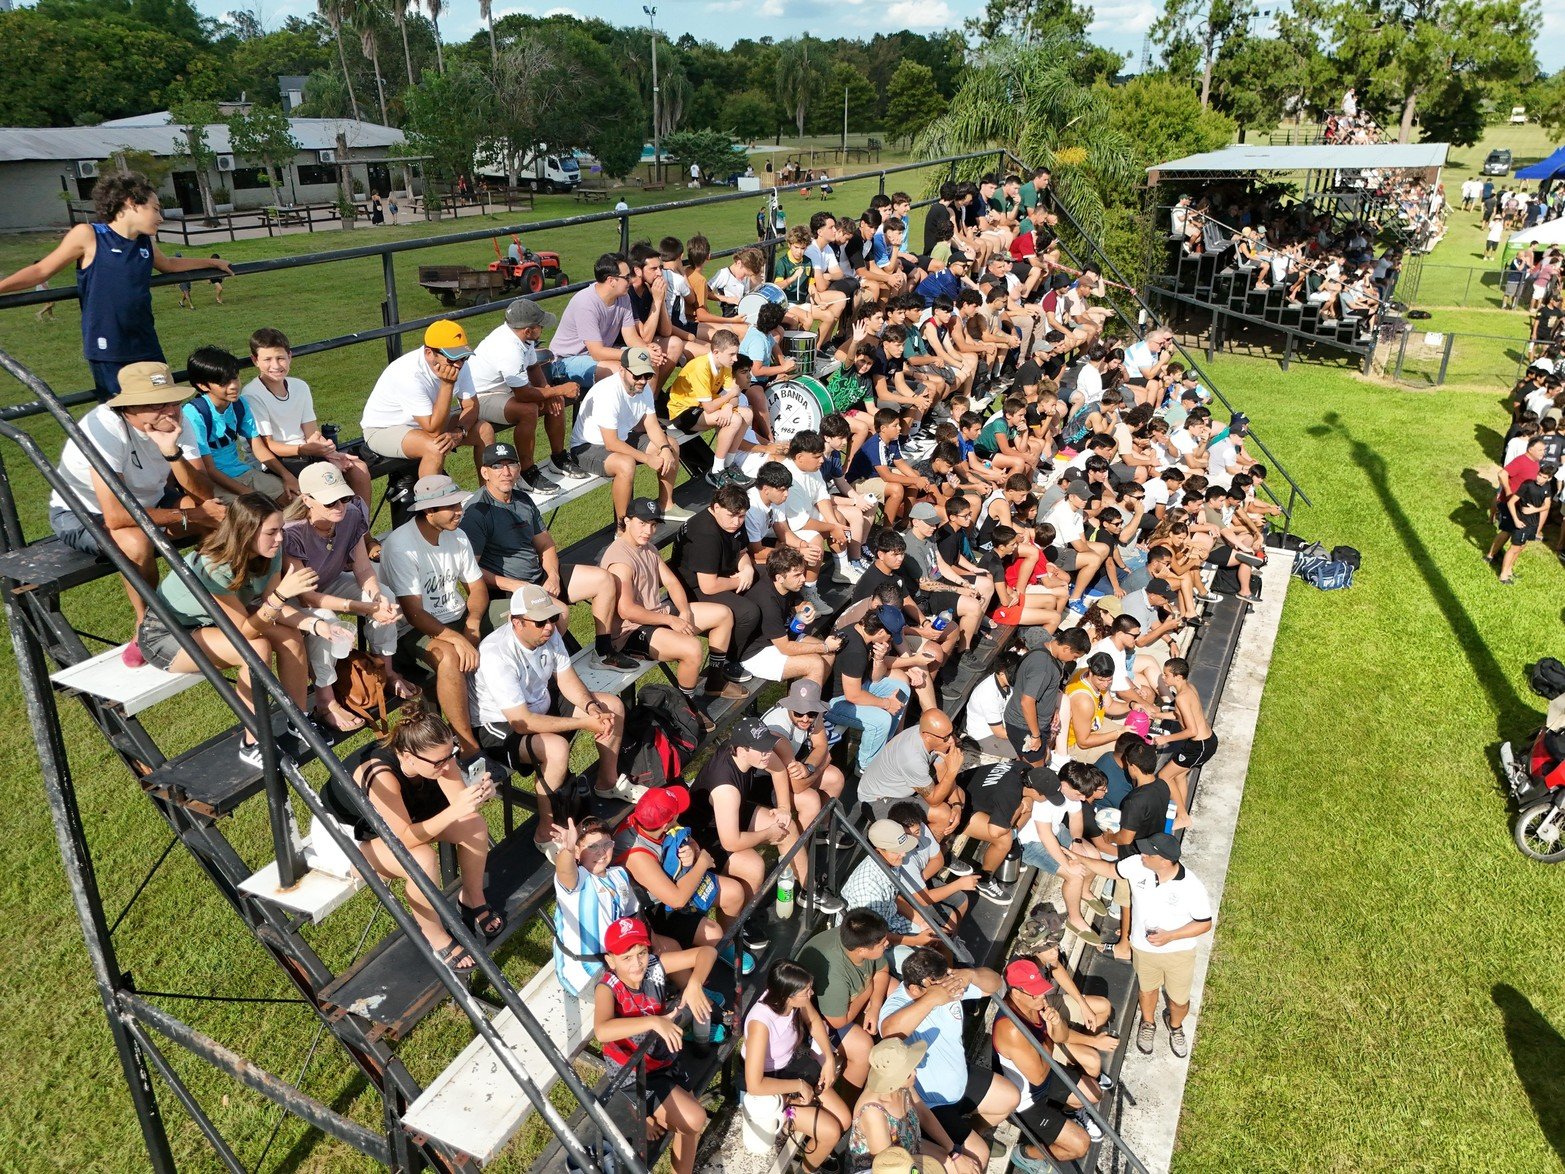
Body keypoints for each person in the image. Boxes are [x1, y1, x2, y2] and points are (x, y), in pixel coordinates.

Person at [135, 492, 344, 769]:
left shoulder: (270, 550)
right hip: (167, 635)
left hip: (215, 624)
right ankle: (252, 743)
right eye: (271, 532)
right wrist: (282, 594)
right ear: (246, 532)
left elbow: (274, 610)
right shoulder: (214, 567)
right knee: (255, 650)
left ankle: (299, 719)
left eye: (280, 529)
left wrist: (315, 624)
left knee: (291, 637)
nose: (280, 538)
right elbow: (247, 629)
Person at [0, 171, 232, 401]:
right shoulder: (89, 235)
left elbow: (169, 265)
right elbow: (41, 270)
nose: (160, 217)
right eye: (156, 209)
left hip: (146, 342)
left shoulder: (145, 242)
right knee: (121, 415)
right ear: (132, 203)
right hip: (108, 348)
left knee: (165, 405)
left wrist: (212, 262)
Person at [320, 705, 498, 975]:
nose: (449, 765)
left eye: (451, 753)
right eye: (439, 762)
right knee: (421, 859)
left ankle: (472, 898)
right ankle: (435, 936)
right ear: (407, 756)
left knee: (473, 825)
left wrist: (477, 797)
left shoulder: (436, 756)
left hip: (403, 822)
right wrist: (456, 810)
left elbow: (460, 807)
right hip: (344, 836)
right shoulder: (380, 775)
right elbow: (403, 841)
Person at [47, 361, 223, 633]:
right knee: (137, 542)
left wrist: (172, 453)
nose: (169, 410)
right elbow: (116, 516)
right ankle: (147, 624)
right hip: (82, 513)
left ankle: (217, 597)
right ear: (128, 408)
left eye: (172, 401)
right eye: (156, 404)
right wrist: (190, 515)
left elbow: (205, 493)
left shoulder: (177, 419)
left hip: (149, 498)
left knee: (220, 517)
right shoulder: (104, 429)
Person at [471, 583, 628, 849]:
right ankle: (546, 833)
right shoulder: (496, 654)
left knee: (611, 707)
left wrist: (592, 709)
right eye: (540, 621)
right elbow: (523, 721)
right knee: (556, 749)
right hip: (499, 724)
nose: (549, 626)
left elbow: (567, 680)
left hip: (538, 702)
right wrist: (583, 723)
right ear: (516, 622)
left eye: (553, 618)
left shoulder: (548, 634)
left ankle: (607, 783)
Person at [459, 442, 631, 668]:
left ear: (519, 468)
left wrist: (552, 575)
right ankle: (547, 670)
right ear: (485, 472)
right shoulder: (477, 511)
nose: (505, 472)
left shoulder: (523, 500)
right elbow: (471, 571)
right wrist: (517, 586)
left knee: (605, 580)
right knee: (560, 612)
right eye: (497, 466)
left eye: (510, 465)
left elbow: (546, 544)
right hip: (509, 590)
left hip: (540, 577)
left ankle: (603, 653)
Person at [283, 462, 409, 730]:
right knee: (326, 620)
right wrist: (364, 607)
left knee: (384, 593)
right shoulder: (291, 532)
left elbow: (363, 567)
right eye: (330, 502)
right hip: (296, 599)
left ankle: (384, 671)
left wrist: (375, 596)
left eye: (343, 497)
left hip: (331, 582)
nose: (339, 506)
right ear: (307, 500)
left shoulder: (352, 514)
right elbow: (308, 598)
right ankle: (325, 700)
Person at [1071, 833, 1213, 1058]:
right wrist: (1078, 858)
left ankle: (1175, 1025)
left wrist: (1171, 936)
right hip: (1143, 949)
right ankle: (1148, 1023)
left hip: (1178, 953)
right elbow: (1109, 870)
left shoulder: (1191, 887)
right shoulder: (1137, 864)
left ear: (1165, 861)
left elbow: (1204, 924)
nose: (1142, 854)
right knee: (1147, 990)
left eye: (1148, 852)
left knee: (1178, 1001)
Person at [593, 917, 715, 1174]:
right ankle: (642, 1112)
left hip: (663, 1058)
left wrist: (694, 984)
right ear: (610, 960)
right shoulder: (608, 988)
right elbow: (602, 1030)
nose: (637, 963)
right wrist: (654, 1022)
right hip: (634, 1073)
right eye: (626, 957)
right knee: (695, 1119)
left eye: (641, 952)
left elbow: (707, 951)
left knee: (690, 1126)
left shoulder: (654, 966)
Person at [379, 475, 489, 758]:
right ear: (428, 511)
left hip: (456, 617)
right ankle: (466, 745)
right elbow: (414, 613)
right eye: (450, 506)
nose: (459, 511)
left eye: (458, 504)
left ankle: (515, 712)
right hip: (411, 630)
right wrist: (458, 639)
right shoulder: (401, 545)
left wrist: (473, 623)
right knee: (450, 656)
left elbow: (477, 589)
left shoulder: (458, 535)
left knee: (522, 619)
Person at [603, 497, 745, 708]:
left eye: (652, 525)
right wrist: (671, 620)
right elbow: (627, 610)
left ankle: (715, 680)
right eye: (642, 523)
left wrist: (685, 611)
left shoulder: (648, 547)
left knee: (723, 614)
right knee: (692, 649)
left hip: (657, 615)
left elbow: (671, 582)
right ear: (626, 521)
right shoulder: (620, 560)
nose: (648, 531)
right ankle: (686, 706)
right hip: (631, 631)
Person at [878, 949, 1014, 1156]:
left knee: (1010, 1098)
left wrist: (972, 975)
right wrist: (932, 999)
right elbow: (889, 1031)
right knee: (980, 1155)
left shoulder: (946, 984)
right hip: (931, 1102)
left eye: (946, 981)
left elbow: (996, 983)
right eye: (938, 986)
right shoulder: (897, 1005)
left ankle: (971, 1133)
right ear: (915, 988)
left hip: (960, 1079)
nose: (947, 988)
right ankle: (961, 1145)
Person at [466, 298, 587, 491]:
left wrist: (549, 390)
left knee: (554, 400)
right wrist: (558, 390)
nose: (542, 327)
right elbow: (522, 394)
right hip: (481, 396)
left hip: (503, 389)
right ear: (528, 330)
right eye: (539, 325)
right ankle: (526, 472)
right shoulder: (508, 348)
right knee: (528, 410)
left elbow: (533, 367)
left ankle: (558, 458)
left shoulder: (522, 337)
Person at [741, 961, 850, 1172]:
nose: (811, 993)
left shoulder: (793, 1000)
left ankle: (815, 1152)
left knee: (844, 1119)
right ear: (788, 995)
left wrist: (828, 1058)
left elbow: (814, 1022)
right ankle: (806, 1170)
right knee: (831, 1131)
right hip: (768, 1088)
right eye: (806, 990)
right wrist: (799, 1086)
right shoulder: (760, 1025)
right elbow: (754, 1084)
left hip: (789, 1068)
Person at [242, 327, 373, 502]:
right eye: (267, 359)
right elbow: (268, 446)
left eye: (280, 358)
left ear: (290, 356)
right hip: (276, 460)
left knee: (358, 468)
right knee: (325, 485)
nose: (275, 365)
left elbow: (311, 433)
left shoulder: (300, 386)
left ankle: (361, 528)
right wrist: (308, 450)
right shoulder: (252, 394)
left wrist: (328, 451)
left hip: (305, 452)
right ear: (255, 360)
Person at [991, 958, 1099, 1167]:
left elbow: (1059, 1038)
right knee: (1080, 1146)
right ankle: (1026, 1155)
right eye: (1035, 992)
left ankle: (1068, 1115)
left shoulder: (1036, 1003)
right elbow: (1038, 1076)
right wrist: (1048, 1037)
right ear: (1016, 992)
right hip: (1026, 1100)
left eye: (1042, 989)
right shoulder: (1011, 1028)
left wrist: (1056, 1023)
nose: (1042, 996)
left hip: (1044, 1074)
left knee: (1094, 1093)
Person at [688, 716, 811, 896]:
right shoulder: (726, 791)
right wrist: (768, 834)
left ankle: (809, 890)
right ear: (741, 750)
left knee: (787, 827)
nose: (768, 752)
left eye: (768, 746)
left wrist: (784, 807)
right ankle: (739, 922)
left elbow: (778, 769)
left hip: (731, 814)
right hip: (704, 832)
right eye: (762, 750)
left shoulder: (745, 753)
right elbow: (730, 841)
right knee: (754, 867)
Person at [568, 346, 686, 523]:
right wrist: (647, 459)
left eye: (647, 375)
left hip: (620, 438)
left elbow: (652, 425)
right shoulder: (608, 393)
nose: (642, 381)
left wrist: (665, 448)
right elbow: (611, 443)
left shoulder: (643, 388)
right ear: (622, 370)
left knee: (671, 445)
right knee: (626, 464)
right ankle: (623, 527)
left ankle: (666, 505)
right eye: (637, 375)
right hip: (587, 447)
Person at [360, 320, 488, 477]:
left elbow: (471, 406)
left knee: (484, 430)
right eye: (452, 358)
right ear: (429, 353)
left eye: (463, 357)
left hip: (428, 424)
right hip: (385, 429)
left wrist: (459, 431)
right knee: (434, 447)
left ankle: (491, 497)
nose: (459, 365)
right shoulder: (408, 373)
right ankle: (433, 500)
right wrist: (447, 385)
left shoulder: (459, 365)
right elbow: (434, 431)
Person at [672, 483, 762, 692]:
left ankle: (763, 641)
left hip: (722, 574)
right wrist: (741, 581)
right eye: (732, 516)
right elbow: (709, 586)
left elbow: (740, 551)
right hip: (694, 590)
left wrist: (747, 569)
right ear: (716, 507)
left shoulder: (731, 522)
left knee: (767, 580)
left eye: (741, 517)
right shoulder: (706, 534)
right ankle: (731, 661)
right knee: (748, 612)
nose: (737, 522)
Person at [848, 1038, 981, 1173]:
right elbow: (887, 1166)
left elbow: (924, 1114)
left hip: (912, 1146)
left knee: (957, 1166)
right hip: (893, 1165)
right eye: (908, 1072)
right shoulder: (873, 1113)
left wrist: (954, 1152)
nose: (915, 1073)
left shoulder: (902, 1086)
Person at [796, 909, 893, 1090]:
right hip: (821, 1015)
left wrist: (875, 1006)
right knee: (863, 1047)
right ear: (862, 950)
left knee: (895, 991)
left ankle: (898, 1060)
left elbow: (881, 971)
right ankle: (851, 1097)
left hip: (851, 997)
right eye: (881, 943)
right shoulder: (834, 976)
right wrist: (868, 991)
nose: (887, 943)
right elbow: (837, 1021)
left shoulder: (857, 942)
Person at [550, 817, 647, 996]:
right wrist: (568, 849)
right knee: (640, 998)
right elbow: (564, 870)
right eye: (592, 847)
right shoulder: (577, 881)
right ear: (578, 853)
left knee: (666, 960)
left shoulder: (619, 875)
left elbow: (633, 917)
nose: (601, 852)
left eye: (606, 844)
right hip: (587, 972)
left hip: (622, 958)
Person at [180, 346, 288, 502]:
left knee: (289, 494)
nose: (234, 386)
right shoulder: (194, 414)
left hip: (243, 472)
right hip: (214, 482)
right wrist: (248, 493)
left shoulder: (240, 404)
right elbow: (208, 469)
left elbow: (258, 448)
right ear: (203, 386)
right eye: (223, 383)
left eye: (235, 378)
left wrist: (287, 476)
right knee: (251, 512)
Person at [1018, 762, 1110, 940]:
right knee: (1074, 875)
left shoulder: (1073, 794)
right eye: (1079, 794)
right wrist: (1068, 863)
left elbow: (1076, 817)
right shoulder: (1045, 800)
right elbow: (1044, 836)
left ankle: (1083, 891)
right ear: (1065, 785)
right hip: (1032, 843)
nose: (1083, 799)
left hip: (1056, 831)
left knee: (1093, 856)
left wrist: (1076, 841)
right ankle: (1074, 919)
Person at [824, 606, 917, 771]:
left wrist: (879, 658)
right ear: (880, 632)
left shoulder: (862, 633)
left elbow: (875, 678)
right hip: (835, 703)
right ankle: (866, 767)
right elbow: (853, 696)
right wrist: (887, 704)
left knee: (902, 689)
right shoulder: (855, 650)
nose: (889, 642)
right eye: (889, 637)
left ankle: (883, 748)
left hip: (857, 688)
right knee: (881, 720)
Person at [664, 330, 757, 488]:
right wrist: (729, 399)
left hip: (704, 407)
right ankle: (716, 471)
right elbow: (710, 407)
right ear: (716, 352)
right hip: (683, 412)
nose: (735, 359)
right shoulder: (701, 367)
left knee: (747, 414)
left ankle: (728, 466)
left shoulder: (725, 365)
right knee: (734, 420)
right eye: (732, 354)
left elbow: (734, 397)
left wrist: (728, 405)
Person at [739, 546, 842, 686]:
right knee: (815, 663)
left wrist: (806, 607)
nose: (803, 579)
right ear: (780, 578)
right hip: (757, 653)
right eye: (797, 575)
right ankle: (802, 706)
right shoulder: (768, 603)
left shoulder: (787, 584)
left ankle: (808, 700)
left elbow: (798, 602)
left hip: (781, 637)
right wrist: (824, 647)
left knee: (828, 655)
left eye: (803, 573)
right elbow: (785, 648)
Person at [548, 253, 642, 386]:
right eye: (627, 277)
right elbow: (597, 352)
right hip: (565, 361)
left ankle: (649, 405)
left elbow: (631, 337)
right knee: (618, 372)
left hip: (596, 356)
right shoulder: (586, 303)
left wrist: (646, 351)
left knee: (646, 364)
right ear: (611, 280)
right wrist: (634, 354)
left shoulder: (624, 297)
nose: (631, 280)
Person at [1004, 629, 1092, 764]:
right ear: (1066, 648)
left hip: (1033, 724)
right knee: (1037, 772)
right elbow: (1027, 702)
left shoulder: (1046, 650)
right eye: (1075, 656)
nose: (1074, 660)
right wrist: (1035, 735)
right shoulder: (1043, 666)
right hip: (1024, 726)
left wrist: (1054, 708)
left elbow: (1045, 689)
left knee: (1043, 758)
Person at [1155, 656, 1217, 828]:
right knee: (1180, 776)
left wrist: (1165, 738)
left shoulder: (1182, 697)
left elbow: (1191, 730)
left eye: (1166, 675)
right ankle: (1179, 813)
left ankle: (1183, 817)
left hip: (1199, 745)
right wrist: (1157, 714)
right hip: (1204, 742)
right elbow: (1181, 715)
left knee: (1164, 775)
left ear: (1178, 676)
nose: (1163, 677)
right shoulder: (1189, 688)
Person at [1488, 461, 1554, 584]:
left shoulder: (1547, 487)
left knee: (1521, 547)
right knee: (1514, 548)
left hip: (1533, 522)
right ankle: (1503, 575)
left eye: (1544, 477)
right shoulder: (1527, 485)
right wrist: (1516, 520)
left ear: (1549, 479)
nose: (1540, 478)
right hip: (1522, 522)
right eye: (1539, 475)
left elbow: (1547, 505)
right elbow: (1511, 502)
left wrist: (1535, 510)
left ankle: (1509, 570)